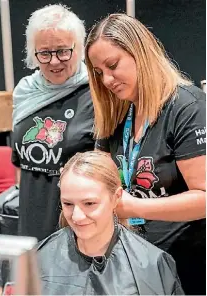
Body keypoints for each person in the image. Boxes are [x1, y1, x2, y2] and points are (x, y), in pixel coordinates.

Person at [85, 13, 206, 295]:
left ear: (140, 51)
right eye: (99, 72)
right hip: (133, 267)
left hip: (185, 268)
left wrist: (135, 208)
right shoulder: (117, 112)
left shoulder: (187, 108)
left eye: (113, 66)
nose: (107, 79)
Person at [35, 150, 183, 295]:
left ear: (116, 197)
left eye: (89, 203)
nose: (77, 217)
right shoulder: (39, 257)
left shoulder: (151, 265)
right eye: (68, 204)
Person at [11, 4, 94, 241]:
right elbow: (21, 163)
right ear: (33, 53)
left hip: (78, 225)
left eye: (63, 51)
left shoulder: (97, 93)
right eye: (45, 53)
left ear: (78, 49)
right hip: (31, 221)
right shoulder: (25, 92)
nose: (54, 61)